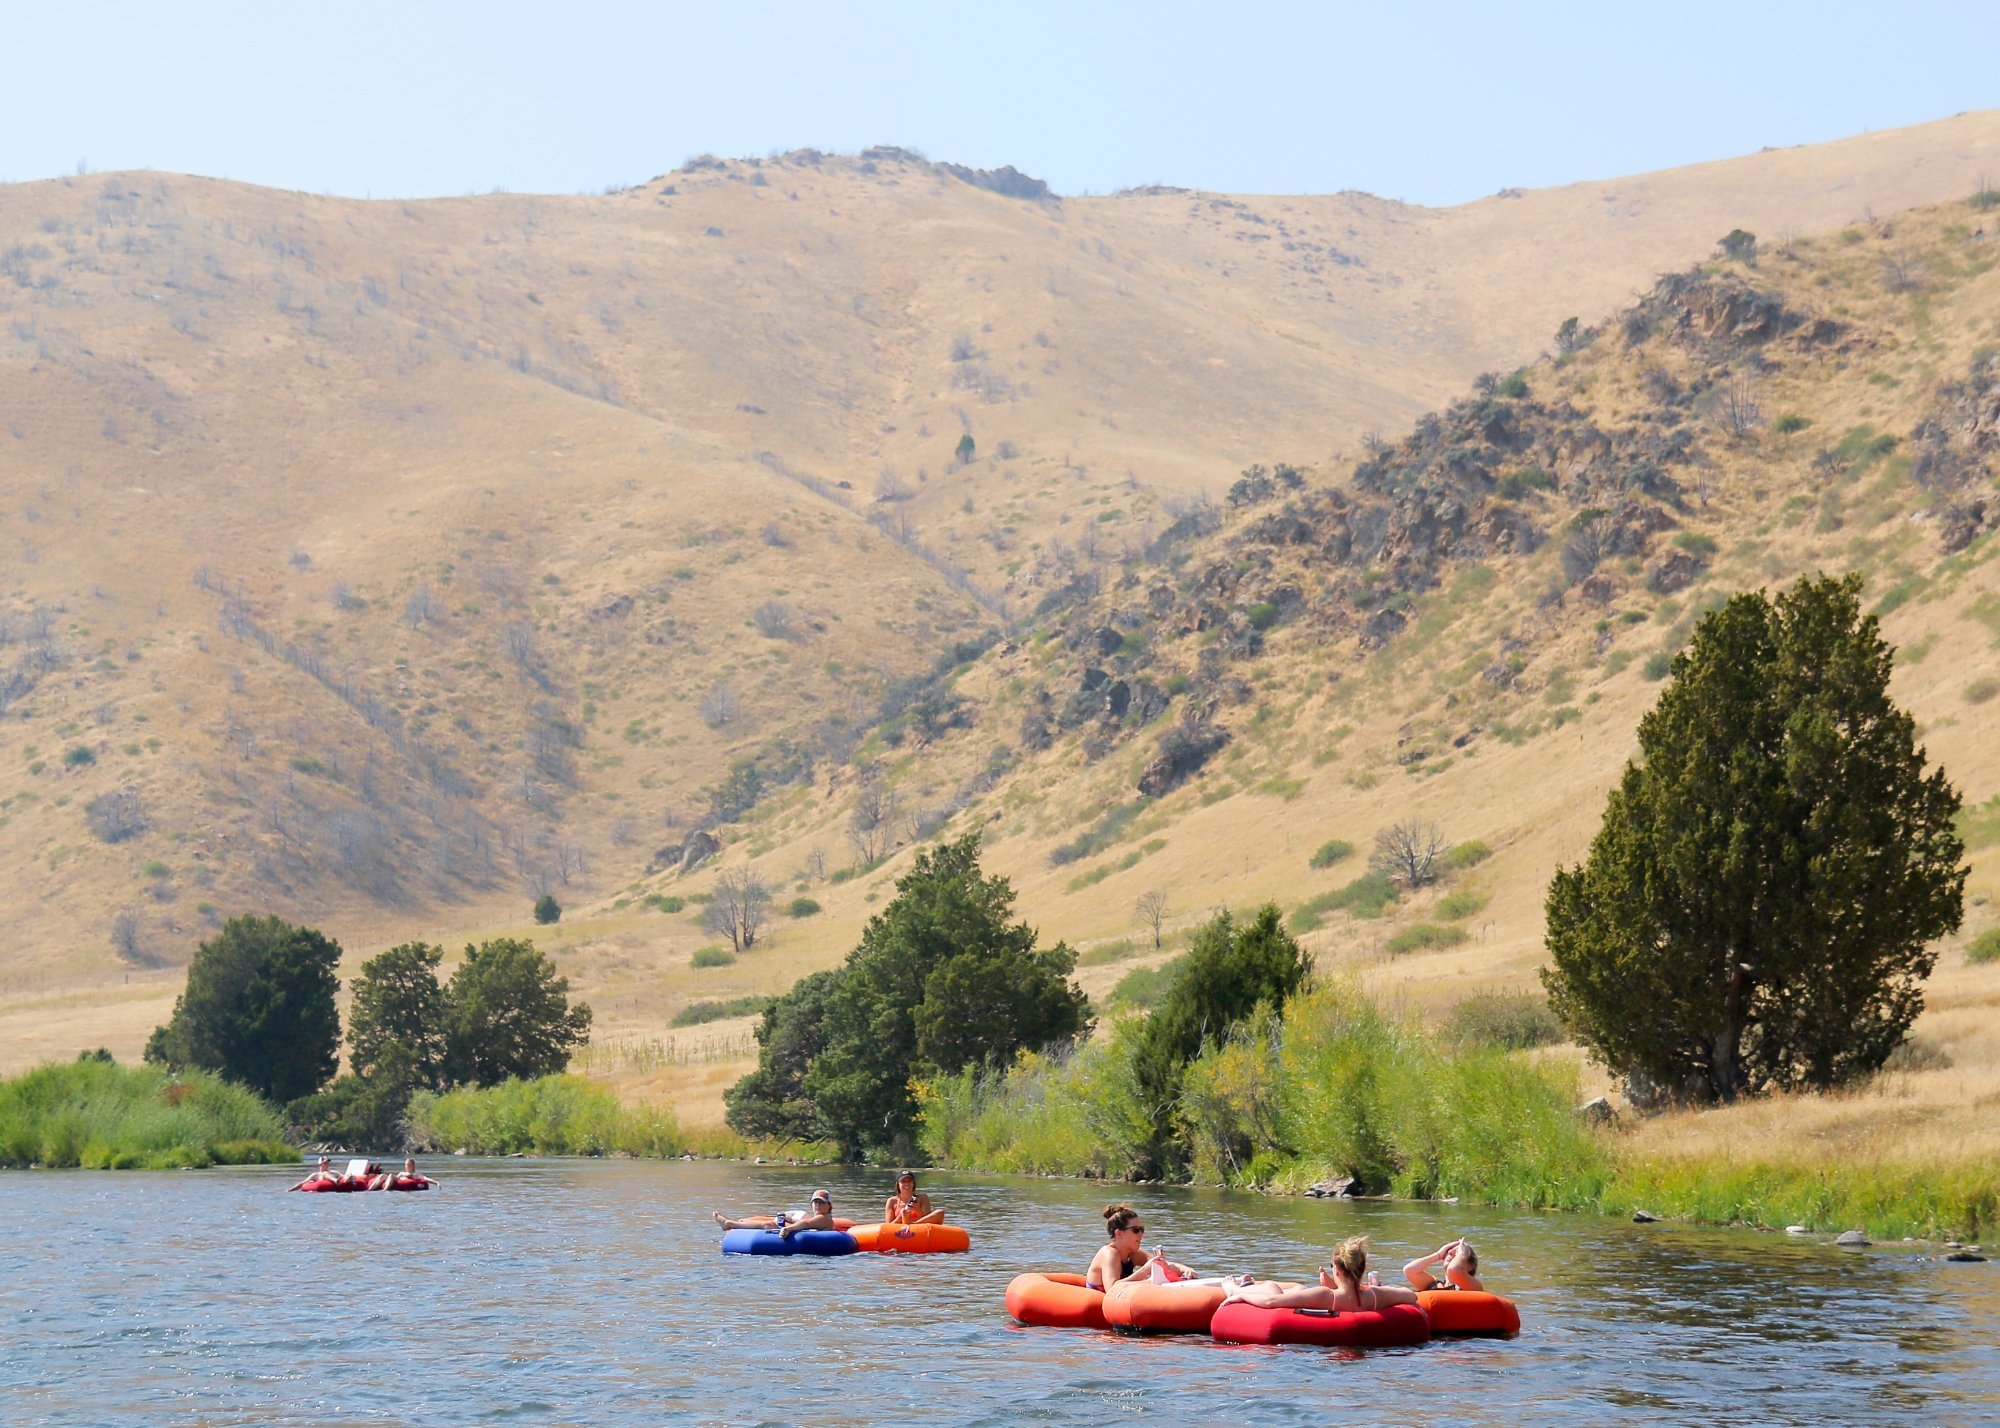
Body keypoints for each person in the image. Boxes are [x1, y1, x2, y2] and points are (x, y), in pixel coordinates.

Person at [1222, 1235, 1419, 1312]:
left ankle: (1237, 1286)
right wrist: (1377, 1288)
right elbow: (1411, 1296)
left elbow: (1271, 1302)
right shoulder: (1375, 1296)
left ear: (1339, 1271)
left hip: (1282, 1300)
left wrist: (1237, 1294)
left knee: (1272, 1288)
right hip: (1355, 1293)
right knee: (1298, 1288)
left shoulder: (1326, 1295)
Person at [1085, 1204, 1192, 1291]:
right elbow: (1111, 1288)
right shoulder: (1109, 1253)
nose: (1141, 1234)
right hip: (1100, 1304)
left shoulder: (1134, 1253)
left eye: (1142, 1229)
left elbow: (1166, 1265)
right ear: (1119, 1233)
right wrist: (1146, 1270)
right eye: (1136, 1230)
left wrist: (1186, 1270)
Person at [713, 1189, 837, 1239]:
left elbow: (806, 1223)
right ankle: (736, 1223)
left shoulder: (824, 1218)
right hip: (807, 1233)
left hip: (812, 1240)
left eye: (821, 1203)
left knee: (769, 1225)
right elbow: (806, 1223)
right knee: (771, 1223)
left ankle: (729, 1224)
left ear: (829, 1206)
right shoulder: (819, 1218)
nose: (817, 1205)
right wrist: (787, 1218)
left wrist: (787, 1229)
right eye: (815, 1202)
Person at [1404, 1238, 1482, 1292]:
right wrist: (1438, 1254)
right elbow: (1409, 1270)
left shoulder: (1472, 1286)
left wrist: (1462, 1252)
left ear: (1469, 1267)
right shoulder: (1435, 1285)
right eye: (1448, 1251)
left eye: (1456, 1253)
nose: (1450, 1252)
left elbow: (1454, 1270)